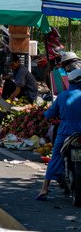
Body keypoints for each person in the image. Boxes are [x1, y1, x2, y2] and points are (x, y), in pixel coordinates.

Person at [37, 69, 81, 200]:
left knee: (56, 157)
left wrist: (45, 114)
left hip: (66, 131)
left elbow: (49, 114)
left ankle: (44, 189)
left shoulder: (62, 96)